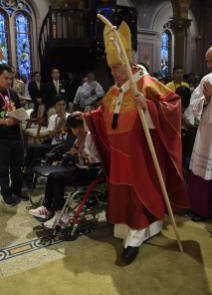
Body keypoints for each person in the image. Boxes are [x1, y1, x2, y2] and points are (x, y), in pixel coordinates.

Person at [73, 21, 189, 263]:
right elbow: (102, 114)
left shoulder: (145, 83)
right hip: (119, 156)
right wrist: (83, 118)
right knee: (121, 193)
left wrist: (147, 105)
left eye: (116, 67)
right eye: (111, 68)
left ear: (127, 64)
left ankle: (135, 239)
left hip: (141, 155)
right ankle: (125, 230)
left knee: (139, 195)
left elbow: (174, 105)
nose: (112, 73)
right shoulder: (115, 91)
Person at [28, 114, 100, 230]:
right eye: (74, 128)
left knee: (59, 177)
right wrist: (77, 145)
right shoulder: (80, 137)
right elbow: (71, 153)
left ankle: (61, 216)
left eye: (79, 127)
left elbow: (86, 160)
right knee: (52, 175)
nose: (77, 130)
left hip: (90, 171)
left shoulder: (90, 136)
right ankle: (47, 208)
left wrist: (81, 147)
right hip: (79, 169)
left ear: (84, 125)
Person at [187, 47, 212, 222]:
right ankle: (203, 209)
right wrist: (208, 99)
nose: (209, 65)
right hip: (207, 135)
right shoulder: (207, 80)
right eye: (207, 61)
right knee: (204, 173)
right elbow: (194, 105)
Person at [0, 64, 29, 207]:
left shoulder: (13, 93)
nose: (9, 81)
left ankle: (17, 190)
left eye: (11, 79)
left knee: (17, 166)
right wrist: (6, 121)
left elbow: (17, 110)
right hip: (2, 139)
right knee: (3, 169)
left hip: (16, 136)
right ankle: (6, 193)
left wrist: (20, 116)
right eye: (6, 78)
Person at [23, 95, 70, 176]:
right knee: (32, 147)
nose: (61, 107)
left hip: (63, 145)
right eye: (59, 105)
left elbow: (72, 134)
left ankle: (32, 173)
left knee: (37, 149)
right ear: (55, 106)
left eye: (63, 105)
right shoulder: (53, 118)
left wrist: (65, 121)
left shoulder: (69, 117)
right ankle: (25, 169)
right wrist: (59, 123)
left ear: (66, 105)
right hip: (53, 142)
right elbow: (50, 136)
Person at [175, 86, 194, 169]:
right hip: (172, 133)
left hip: (183, 135)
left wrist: (182, 116)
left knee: (181, 159)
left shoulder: (190, 107)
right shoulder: (170, 103)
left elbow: (189, 126)